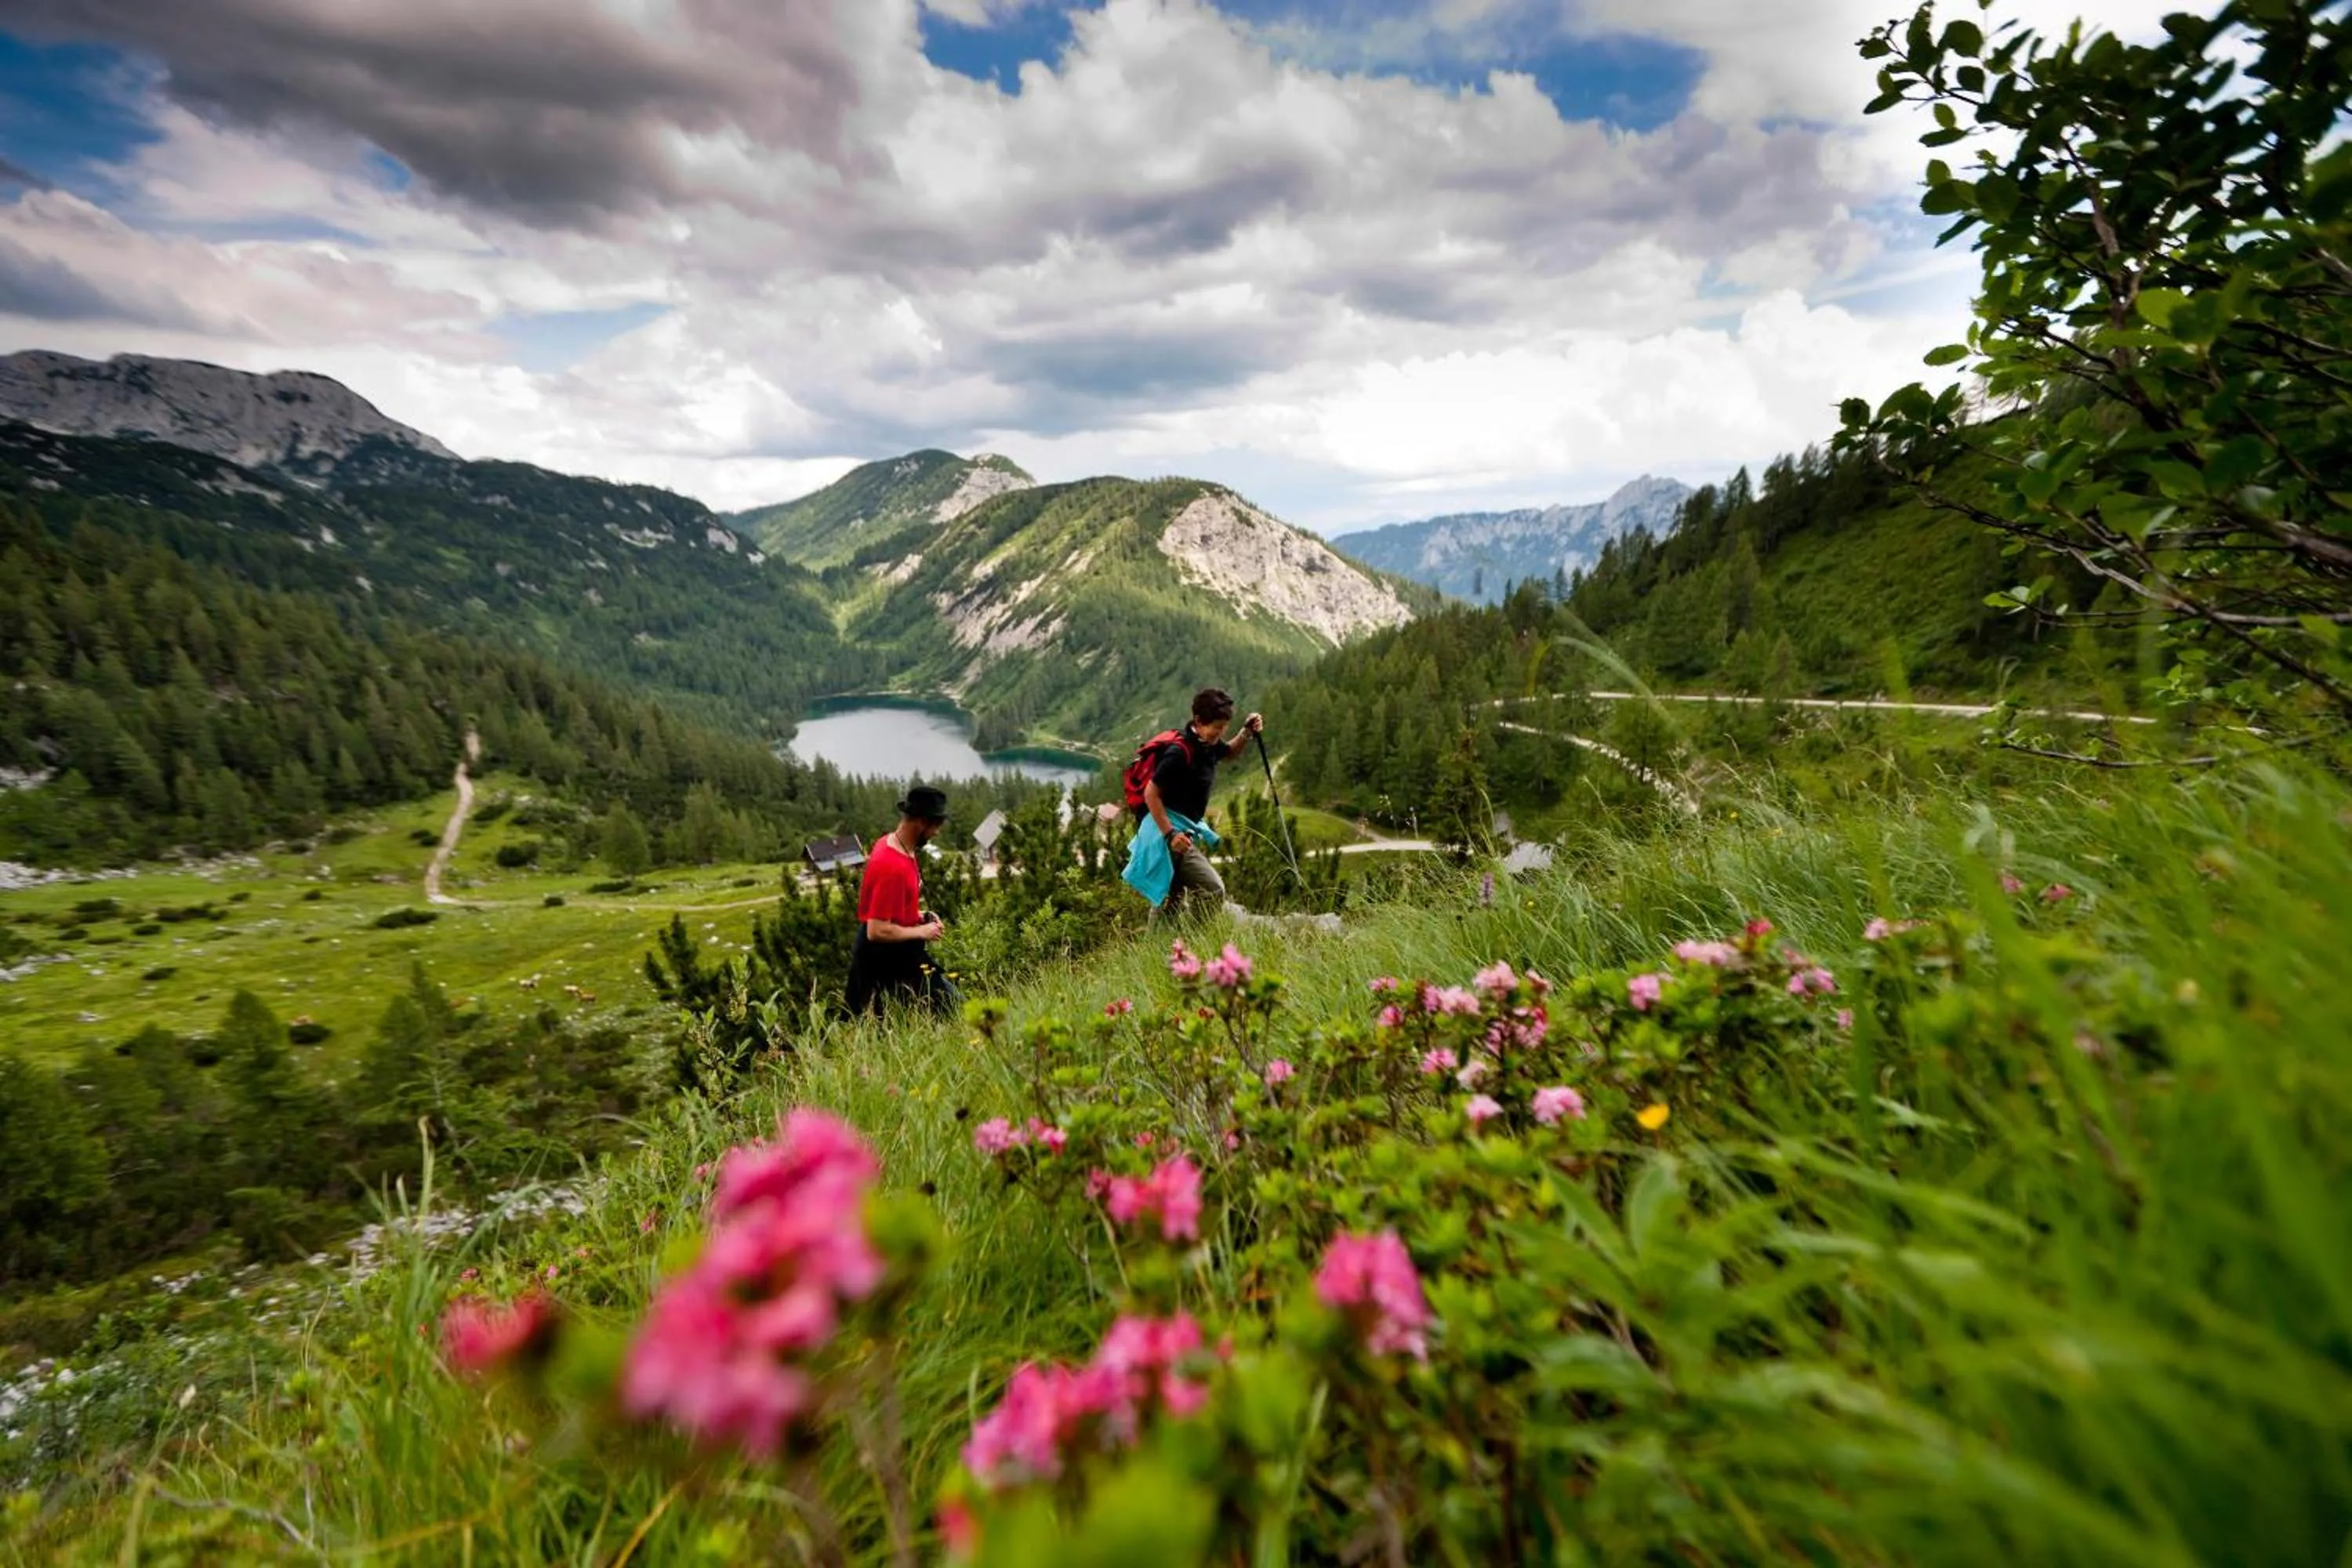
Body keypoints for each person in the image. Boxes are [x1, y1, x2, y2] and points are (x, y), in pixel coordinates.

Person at [1138, 688, 1263, 918]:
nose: (1221, 732)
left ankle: (1171, 950)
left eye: (1224, 726)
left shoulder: (1207, 744)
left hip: (1183, 831)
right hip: (1167, 834)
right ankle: (1192, 945)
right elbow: (1150, 793)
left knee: (1171, 900)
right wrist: (1171, 835)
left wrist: (1246, 732)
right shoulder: (1179, 752)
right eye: (1217, 727)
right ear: (1198, 721)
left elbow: (1227, 753)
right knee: (1212, 890)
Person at [846, 784, 964, 1017]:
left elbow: (887, 907)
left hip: (896, 953)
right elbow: (876, 930)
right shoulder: (892, 866)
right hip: (885, 960)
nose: (937, 832)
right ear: (921, 821)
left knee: (944, 1007)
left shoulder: (896, 844)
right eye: (936, 825)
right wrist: (923, 932)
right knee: (952, 1010)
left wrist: (917, 916)